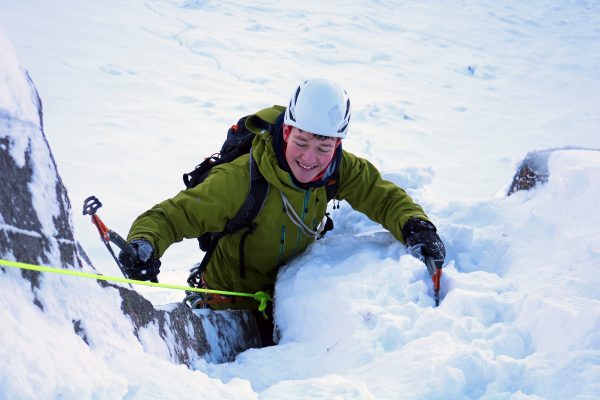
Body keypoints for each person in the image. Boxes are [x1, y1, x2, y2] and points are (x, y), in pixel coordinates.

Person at [118, 78, 446, 346]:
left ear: (338, 145)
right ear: (287, 131)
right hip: (225, 305)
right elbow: (174, 215)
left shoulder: (338, 169)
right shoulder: (241, 181)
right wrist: (144, 244)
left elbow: (383, 197)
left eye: (323, 147)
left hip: (284, 307)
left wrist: (417, 227)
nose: (309, 158)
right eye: (301, 142)